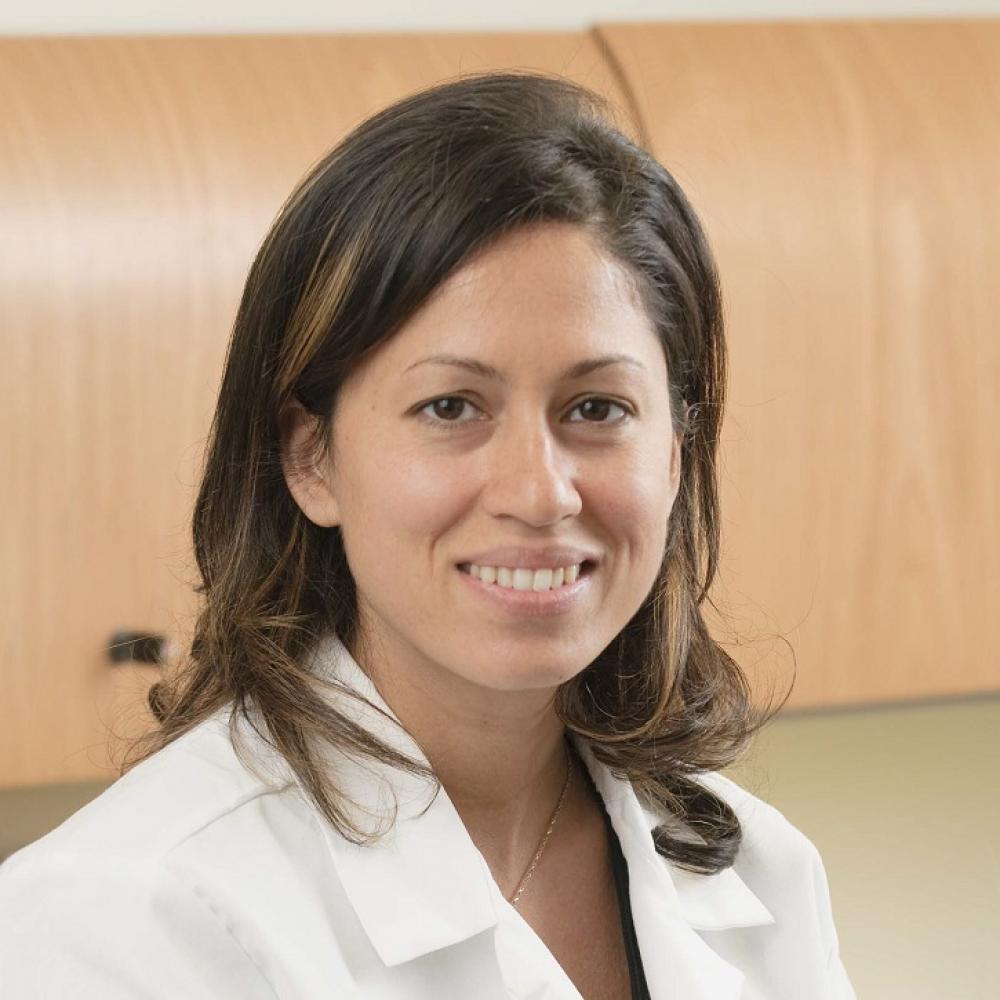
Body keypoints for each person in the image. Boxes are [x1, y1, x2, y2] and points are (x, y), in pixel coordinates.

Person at [0, 71, 856, 999]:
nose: (539, 492)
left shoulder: (756, 870)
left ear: (679, 455)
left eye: (598, 407)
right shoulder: (122, 920)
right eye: (451, 406)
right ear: (311, 458)